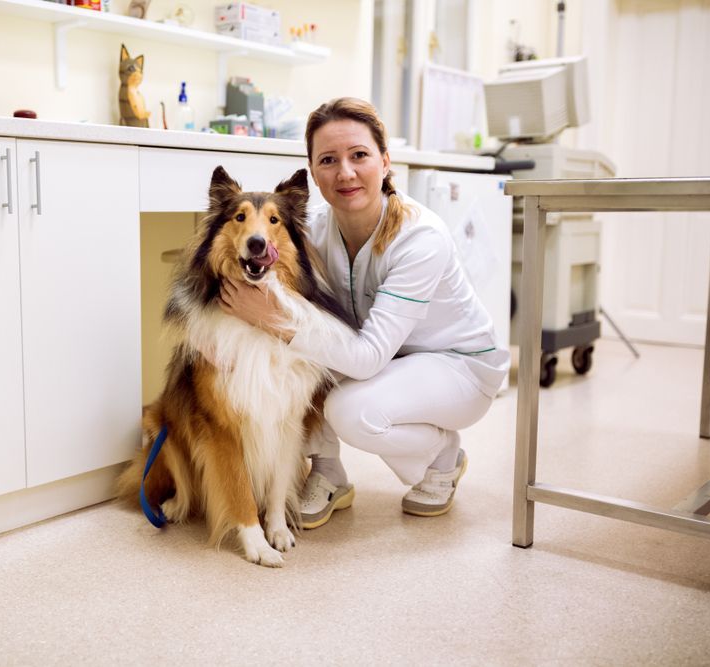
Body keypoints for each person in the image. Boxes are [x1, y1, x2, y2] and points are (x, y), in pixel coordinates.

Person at [218, 97, 510, 528]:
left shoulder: (420, 237)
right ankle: (329, 474)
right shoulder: (312, 229)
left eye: (359, 156)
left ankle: (443, 457)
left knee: (350, 411)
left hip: (458, 368)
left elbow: (366, 357)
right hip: (386, 358)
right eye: (328, 160)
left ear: (385, 161)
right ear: (313, 174)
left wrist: (267, 318)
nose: (345, 173)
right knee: (292, 364)